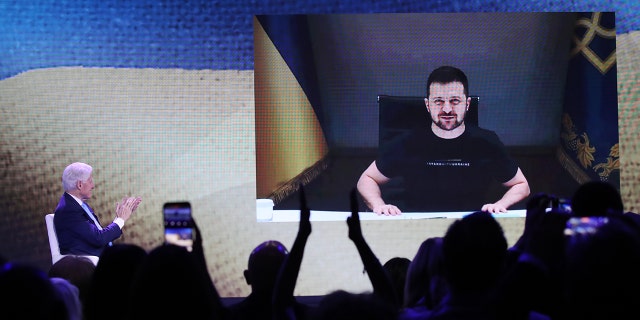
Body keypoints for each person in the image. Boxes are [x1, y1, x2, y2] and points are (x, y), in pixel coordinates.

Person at [357, 66, 529, 215]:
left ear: (467, 104)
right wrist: (379, 206)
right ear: (428, 105)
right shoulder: (407, 141)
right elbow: (367, 179)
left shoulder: (487, 142)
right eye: (439, 102)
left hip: (469, 227)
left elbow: (522, 185)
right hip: (417, 225)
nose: (447, 109)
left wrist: (500, 205)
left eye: (455, 101)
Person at [53, 162, 141, 258]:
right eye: (90, 181)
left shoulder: (77, 204)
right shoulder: (69, 210)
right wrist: (121, 219)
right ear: (80, 185)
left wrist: (120, 217)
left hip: (99, 256)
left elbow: (96, 236)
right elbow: (99, 239)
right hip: (84, 265)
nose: (93, 186)